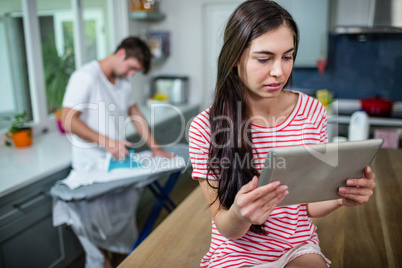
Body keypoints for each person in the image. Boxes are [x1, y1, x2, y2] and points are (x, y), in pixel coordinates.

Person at [188, 1, 376, 267]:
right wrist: (241, 214)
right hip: (235, 255)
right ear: (234, 59)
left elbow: (306, 207)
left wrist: (342, 195)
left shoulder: (311, 111)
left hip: (296, 247)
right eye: (264, 59)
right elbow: (226, 228)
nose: (279, 72)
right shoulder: (205, 128)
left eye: (287, 57)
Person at [61, 36, 172, 268]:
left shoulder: (122, 80)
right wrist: (106, 141)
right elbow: (68, 119)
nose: (132, 74)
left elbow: (135, 114)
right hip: (92, 168)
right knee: (100, 232)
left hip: (117, 164)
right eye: (132, 68)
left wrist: (155, 147)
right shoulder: (85, 77)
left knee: (122, 229)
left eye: (136, 71)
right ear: (121, 53)